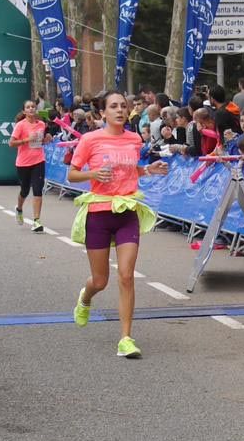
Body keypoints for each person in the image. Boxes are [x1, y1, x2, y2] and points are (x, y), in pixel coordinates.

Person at [66, 90, 170, 358]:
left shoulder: (134, 139)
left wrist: (147, 170)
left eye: (123, 106)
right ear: (103, 113)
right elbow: (72, 174)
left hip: (127, 211)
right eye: (113, 106)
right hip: (99, 212)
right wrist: (92, 173)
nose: (120, 110)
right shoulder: (90, 139)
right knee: (100, 280)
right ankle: (86, 297)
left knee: (126, 275)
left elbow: (130, 169)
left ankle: (126, 338)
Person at [9, 99, 52, 232]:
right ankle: (19, 208)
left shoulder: (41, 124)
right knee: (25, 190)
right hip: (23, 162)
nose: (31, 109)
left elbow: (41, 142)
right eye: (28, 107)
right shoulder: (20, 125)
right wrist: (27, 140)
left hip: (38, 160)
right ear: (24, 111)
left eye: (33, 106)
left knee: (38, 190)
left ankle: (36, 221)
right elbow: (11, 143)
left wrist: (46, 140)